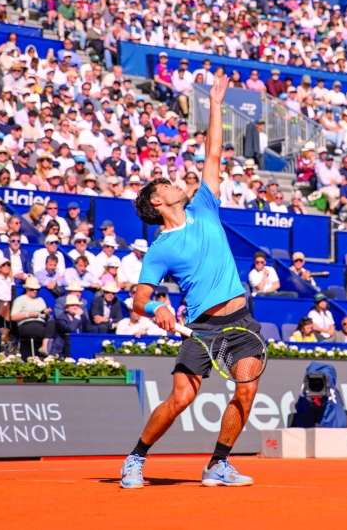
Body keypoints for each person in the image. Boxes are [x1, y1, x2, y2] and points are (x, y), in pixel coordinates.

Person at [123, 73, 261, 488]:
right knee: (182, 398)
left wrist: (216, 105)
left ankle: (218, 464)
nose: (174, 180)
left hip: (242, 321)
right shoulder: (160, 247)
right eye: (166, 183)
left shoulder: (205, 206)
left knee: (245, 394)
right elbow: (138, 299)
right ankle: (135, 458)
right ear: (156, 201)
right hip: (201, 329)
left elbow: (213, 155)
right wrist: (156, 307)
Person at [10, 276, 54, 358]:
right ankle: (44, 352)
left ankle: (44, 346)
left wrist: (46, 313)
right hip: (26, 324)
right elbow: (13, 317)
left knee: (53, 323)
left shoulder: (40, 300)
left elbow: (45, 317)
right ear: (27, 289)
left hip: (40, 322)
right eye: (32, 289)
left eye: (37, 289)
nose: (35, 291)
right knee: (43, 330)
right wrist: (29, 315)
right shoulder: (20, 300)